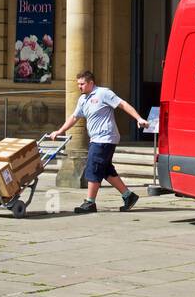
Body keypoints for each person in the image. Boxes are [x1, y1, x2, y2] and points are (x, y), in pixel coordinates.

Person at [49, 70, 148, 214]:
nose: (79, 87)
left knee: (93, 167)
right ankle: (129, 196)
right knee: (106, 170)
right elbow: (74, 117)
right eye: (78, 84)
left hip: (106, 138)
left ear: (91, 83)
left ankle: (90, 202)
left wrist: (139, 118)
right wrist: (60, 131)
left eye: (82, 84)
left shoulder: (103, 93)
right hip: (96, 138)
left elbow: (123, 104)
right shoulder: (83, 99)